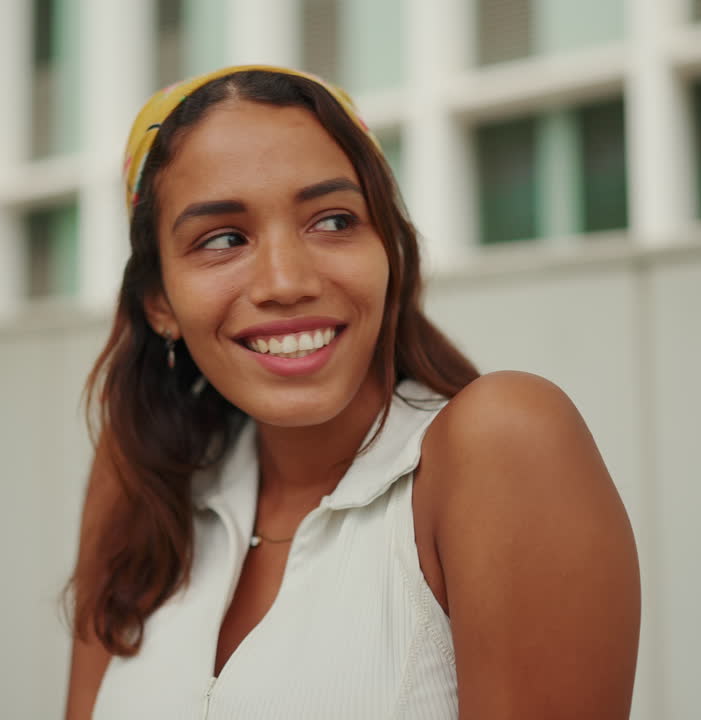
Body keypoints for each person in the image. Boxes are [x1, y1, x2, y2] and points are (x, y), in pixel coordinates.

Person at [63, 65, 640, 719]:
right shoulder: (141, 476)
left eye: (333, 221)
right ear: (160, 301)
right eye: (224, 239)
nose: (285, 281)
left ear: (389, 252)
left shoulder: (499, 445)